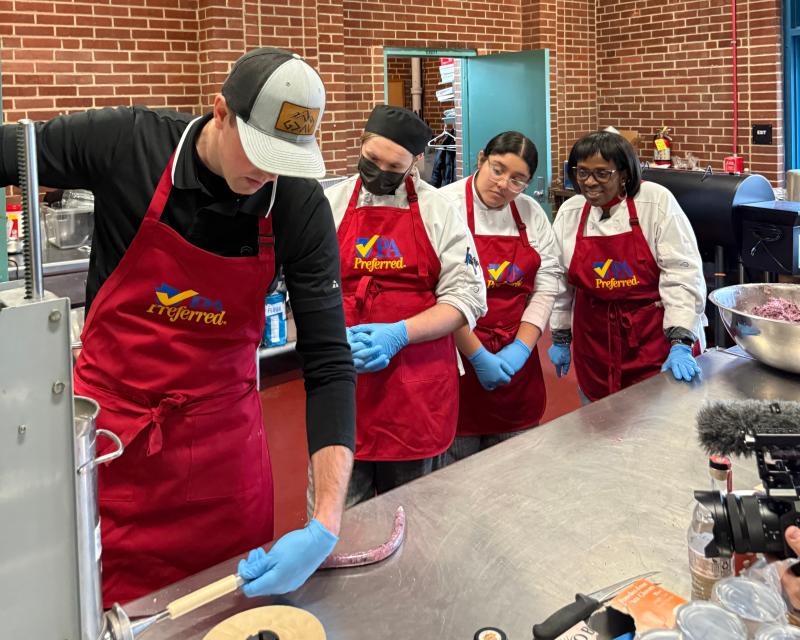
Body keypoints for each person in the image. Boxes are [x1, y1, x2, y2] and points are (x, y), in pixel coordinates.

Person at [0, 48, 355, 605]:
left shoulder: (297, 204)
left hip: (223, 462)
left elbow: (329, 362)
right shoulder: (128, 144)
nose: (268, 173)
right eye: (260, 151)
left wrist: (326, 522)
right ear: (221, 112)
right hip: (107, 450)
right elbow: (9, 153)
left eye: (286, 159)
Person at [322, 104, 487, 505]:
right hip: (343, 379)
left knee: (414, 515)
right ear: (361, 145)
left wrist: (399, 333)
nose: (379, 172)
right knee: (339, 516)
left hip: (416, 387)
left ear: (414, 162)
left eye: (393, 167)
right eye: (371, 160)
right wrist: (329, 332)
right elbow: (306, 284)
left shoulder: (438, 210)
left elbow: (467, 295)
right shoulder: (329, 203)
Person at [548, 130, 706, 402]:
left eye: (602, 173)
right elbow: (560, 281)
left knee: (661, 416)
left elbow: (681, 274)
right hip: (594, 343)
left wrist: (680, 341)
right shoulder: (570, 212)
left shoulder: (655, 201)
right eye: (582, 172)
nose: (589, 182)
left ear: (624, 174)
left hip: (653, 340)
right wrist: (560, 335)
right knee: (600, 417)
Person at [436, 131, 562, 464]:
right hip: (457, 362)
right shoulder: (444, 206)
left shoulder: (530, 213)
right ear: (481, 160)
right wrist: (477, 355)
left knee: (513, 475)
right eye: (497, 169)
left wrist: (521, 348)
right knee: (455, 477)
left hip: (515, 368)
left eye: (518, 180)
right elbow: (438, 292)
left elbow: (547, 282)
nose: (504, 184)